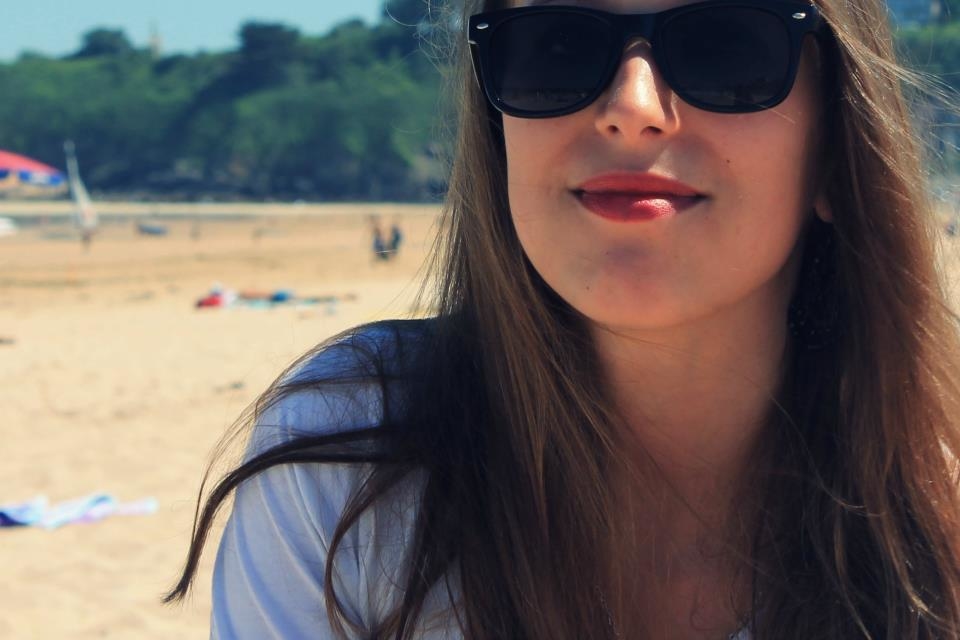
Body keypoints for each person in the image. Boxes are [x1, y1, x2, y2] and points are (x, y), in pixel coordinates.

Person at [166, 0, 960, 638]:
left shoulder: (943, 500)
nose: (631, 109)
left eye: (726, 44)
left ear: (837, 147)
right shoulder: (356, 460)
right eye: (556, 45)